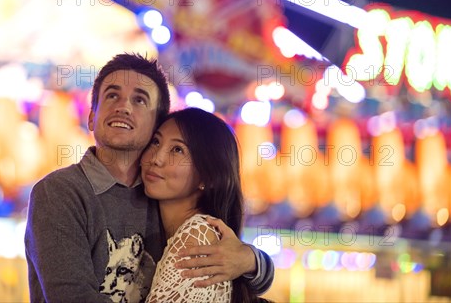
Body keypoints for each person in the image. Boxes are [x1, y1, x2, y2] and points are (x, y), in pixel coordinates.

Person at [25, 53, 274, 302]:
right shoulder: (60, 193)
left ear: (156, 123)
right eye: (112, 95)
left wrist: (251, 260)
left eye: (140, 100)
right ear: (92, 117)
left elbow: (224, 273)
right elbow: (71, 297)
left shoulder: (163, 192)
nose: (123, 107)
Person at [143, 107, 264, 302]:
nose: (156, 159)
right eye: (156, 142)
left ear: (207, 177)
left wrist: (253, 261)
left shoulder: (196, 238)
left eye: (177, 150)